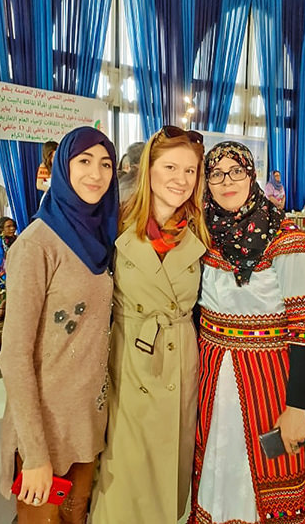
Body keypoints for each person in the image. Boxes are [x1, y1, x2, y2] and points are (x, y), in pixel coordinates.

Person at [189, 142, 305, 524]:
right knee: (216, 470)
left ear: (252, 176)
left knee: (265, 479)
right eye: (216, 173)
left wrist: (296, 408)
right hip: (212, 379)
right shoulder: (206, 235)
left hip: (268, 382)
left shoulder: (287, 241)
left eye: (237, 171)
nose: (226, 181)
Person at [0, 126, 119, 523]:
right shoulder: (37, 244)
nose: (96, 174)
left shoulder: (101, 238)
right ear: (63, 169)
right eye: (84, 161)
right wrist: (33, 453)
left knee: (74, 518)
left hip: (85, 425)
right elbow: (13, 357)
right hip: (44, 431)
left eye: (105, 165)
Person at [91, 125, 210, 524]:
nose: (180, 180)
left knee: (165, 480)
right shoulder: (114, 223)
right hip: (128, 361)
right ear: (148, 169)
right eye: (171, 167)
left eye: (190, 171)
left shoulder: (202, 231)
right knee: (123, 483)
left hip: (179, 363)